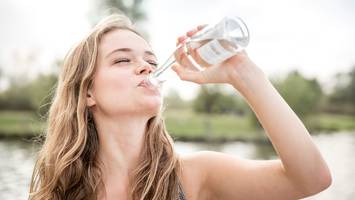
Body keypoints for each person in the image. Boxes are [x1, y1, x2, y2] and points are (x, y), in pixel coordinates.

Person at [29, 13, 331, 200]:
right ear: (87, 93)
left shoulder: (194, 177)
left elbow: (310, 179)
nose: (145, 68)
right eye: (123, 59)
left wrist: (243, 73)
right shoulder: (58, 189)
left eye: (151, 61)